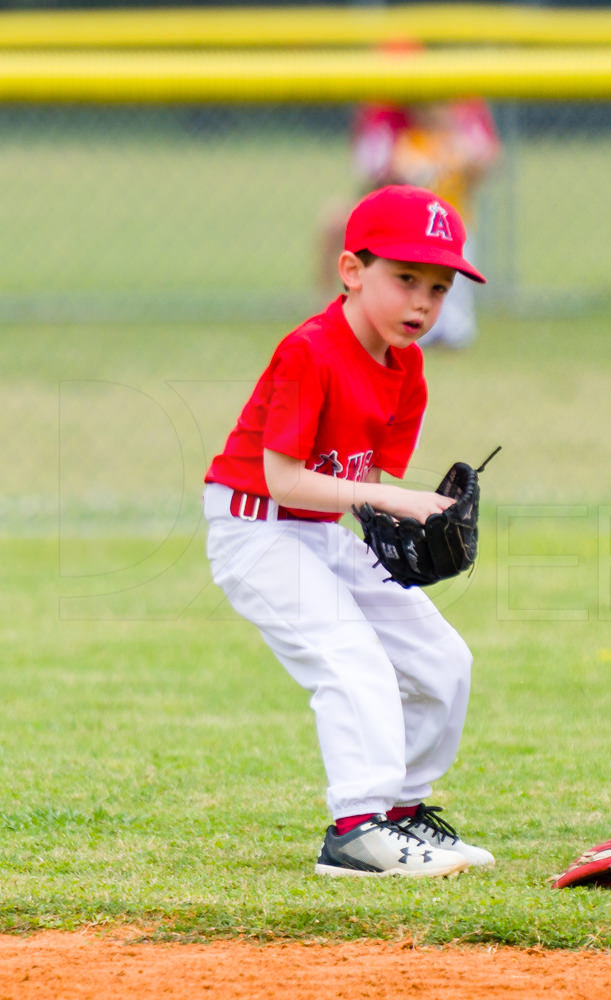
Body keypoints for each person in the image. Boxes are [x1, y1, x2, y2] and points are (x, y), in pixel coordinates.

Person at [205, 184, 495, 878]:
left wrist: (406, 529)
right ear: (352, 270)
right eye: (405, 279)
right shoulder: (310, 350)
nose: (423, 303)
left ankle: (401, 814)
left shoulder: (409, 368)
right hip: (255, 529)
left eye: (440, 286)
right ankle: (357, 830)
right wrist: (392, 496)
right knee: (350, 659)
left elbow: (367, 493)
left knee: (443, 661)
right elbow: (283, 480)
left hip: (317, 532)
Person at [321, 94, 502, 349]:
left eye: (440, 107)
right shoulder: (407, 143)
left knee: (452, 307)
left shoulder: (457, 142)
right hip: (410, 233)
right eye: (427, 107)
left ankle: (446, 327)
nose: (434, 114)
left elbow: (486, 162)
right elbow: (375, 175)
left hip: (451, 233)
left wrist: (460, 158)